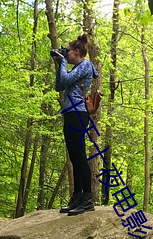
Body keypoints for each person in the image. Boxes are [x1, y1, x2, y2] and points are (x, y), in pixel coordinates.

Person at [53, 34, 99, 216]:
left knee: (79, 157)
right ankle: (78, 197)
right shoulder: (76, 69)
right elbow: (59, 85)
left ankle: (87, 199)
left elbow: (64, 81)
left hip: (78, 114)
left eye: (68, 51)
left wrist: (62, 62)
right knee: (74, 157)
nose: (66, 54)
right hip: (70, 114)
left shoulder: (85, 65)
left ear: (77, 52)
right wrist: (60, 64)